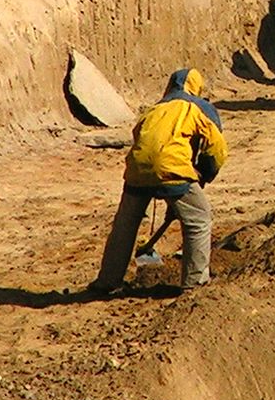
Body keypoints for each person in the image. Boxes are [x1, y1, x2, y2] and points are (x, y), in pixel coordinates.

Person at [89, 68, 228, 295]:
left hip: (136, 170)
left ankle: (108, 281)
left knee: (125, 224)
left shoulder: (154, 109)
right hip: (172, 169)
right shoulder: (199, 107)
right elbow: (217, 148)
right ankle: (195, 284)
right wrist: (203, 174)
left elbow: (143, 141)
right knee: (199, 220)